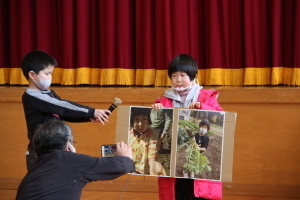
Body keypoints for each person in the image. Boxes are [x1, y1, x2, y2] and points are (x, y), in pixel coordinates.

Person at [21, 50, 111, 171]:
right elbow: (62, 106)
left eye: (51, 73)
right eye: (47, 73)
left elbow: (61, 113)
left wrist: (86, 117)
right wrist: (91, 111)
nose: (50, 77)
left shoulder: (49, 93)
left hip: (58, 148)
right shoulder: (32, 96)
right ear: (32, 75)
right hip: (41, 150)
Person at [151, 54, 223, 200]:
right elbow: (156, 127)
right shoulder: (164, 100)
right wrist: (156, 110)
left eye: (182, 75)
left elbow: (221, 117)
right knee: (178, 192)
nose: (178, 80)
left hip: (197, 157)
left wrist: (202, 107)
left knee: (198, 191)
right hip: (174, 158)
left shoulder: (205, 96)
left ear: (193, 76)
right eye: (174, 75)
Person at [15, 120, 134, 200]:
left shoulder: (34, 170)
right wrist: (126, 155)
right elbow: (123, 166)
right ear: (68, 145)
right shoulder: (68, 159)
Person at [129, 107, 166, 176]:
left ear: (149, 120)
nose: (140, 124)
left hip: (146, 172)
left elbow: (153, 153)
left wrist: (153, 164)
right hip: (130, 171)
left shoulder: (153, 137)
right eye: (136, 119)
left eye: (144, 119)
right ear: (131, 121)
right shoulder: (128, 135)